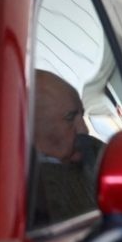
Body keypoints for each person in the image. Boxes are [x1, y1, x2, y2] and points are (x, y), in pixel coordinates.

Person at [32, 70, 101, 225]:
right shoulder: (15, 188)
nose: (84, 129)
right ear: (32, 126)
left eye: (82, 115)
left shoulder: (93, 152)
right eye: (70, 118)